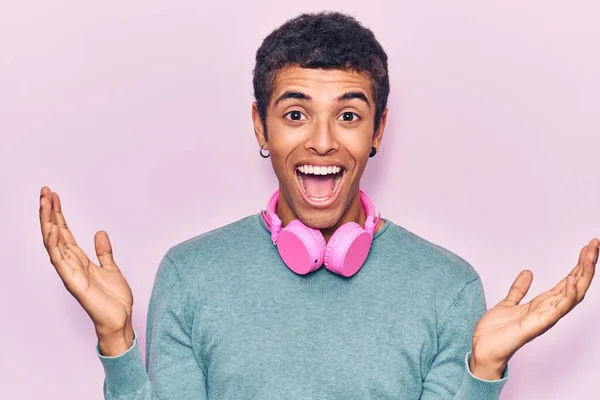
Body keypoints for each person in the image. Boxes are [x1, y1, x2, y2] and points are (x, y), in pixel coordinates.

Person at [39, 11, 597, 400]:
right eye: (296, 114)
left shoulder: (447, 287)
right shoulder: (190, 274)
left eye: (349, 116)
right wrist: (116, 339)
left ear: (378, 130)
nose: (323, 142)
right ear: (261, 125)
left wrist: (484, 371)